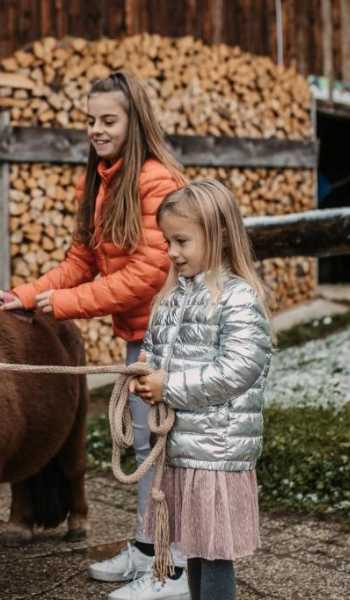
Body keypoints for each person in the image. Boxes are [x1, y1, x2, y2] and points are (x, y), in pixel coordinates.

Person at [0, 70, 188, 596]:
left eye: (108, 120)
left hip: (171, 334)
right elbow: (80, 261)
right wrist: (25, 296)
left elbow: (149, 272)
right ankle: (147, 549)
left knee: (167, 448)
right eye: (90, 120)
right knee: (145, 443)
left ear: (133, 120)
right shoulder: (98, 180)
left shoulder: (155, 180)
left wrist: (65, 304)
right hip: (142, 334)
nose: (96, 129)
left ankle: (170, 567)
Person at [128, 179, 274, 600]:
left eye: (181, 241)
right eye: (168, 241)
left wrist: (168, 385)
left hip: (216, 452)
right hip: (184, 447)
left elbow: (238, 369)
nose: (172, 252)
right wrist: (145, 373)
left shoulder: (238, 298)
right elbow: (155, 349)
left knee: (213, 554)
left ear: (220, 235)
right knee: (193, 547)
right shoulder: (173, 297)